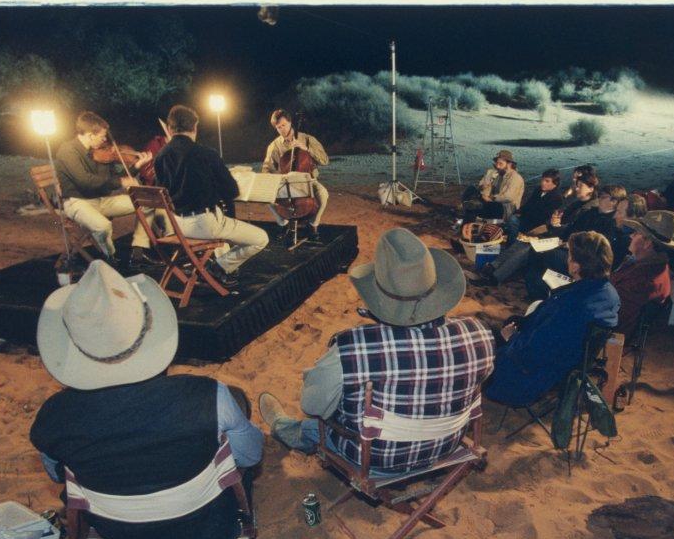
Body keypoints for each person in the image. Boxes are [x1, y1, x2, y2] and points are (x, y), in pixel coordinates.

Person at [29, 260, 264, 539]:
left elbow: (57, 475)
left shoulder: (54, 416)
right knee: (236, 407)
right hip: (207, 526)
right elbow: (252, 454)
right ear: (147, 331)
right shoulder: (207, 395)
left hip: (120, 533)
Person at [257, 228, 495, 473]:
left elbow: (313, 406)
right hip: (444, 446)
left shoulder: (355, 348)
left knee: (313, 425)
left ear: (380, 297)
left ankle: (282, 427)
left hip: (374, 460)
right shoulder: (479, 333)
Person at [485, 231, 620, 408]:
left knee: (482, 337)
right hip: (569, 364)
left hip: (529, 376)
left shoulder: (571, 306)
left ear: (576, 267)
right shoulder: (609, 292)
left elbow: (534, 350)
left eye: (570, 256)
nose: (567, 259)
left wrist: (511, 338)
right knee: (502, 326)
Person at [155, 104, 269, 290]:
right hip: (204, 225)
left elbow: (162, 191)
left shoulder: (160, 156)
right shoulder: (206, 154)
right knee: (260, 238)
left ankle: (216, 264)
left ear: (169, 129)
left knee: (222, 228)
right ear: (195, 127)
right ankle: (218, 267)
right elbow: (232, 191)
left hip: (176, 226)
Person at [54, 111, 159, 270]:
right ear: (90, 135)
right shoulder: (68, 150)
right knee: (103, 226)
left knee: (147, 203)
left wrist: (136, 167)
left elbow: (114, 178)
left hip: (101, 200)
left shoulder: (99, 152)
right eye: (102, 136)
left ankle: (139, 251)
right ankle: (111, 257)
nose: (105, 140)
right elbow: (85, 181)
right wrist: (119, 181)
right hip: (76, 202)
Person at [523, 178, 620, 300]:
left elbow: (598, 246)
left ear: (614, 201)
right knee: (535, 251)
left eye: (603, 196)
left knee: (548, 256)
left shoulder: (611, 222)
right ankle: (536, 290)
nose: (599, 198)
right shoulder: (590, 212)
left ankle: (541, 293)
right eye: (600, 195)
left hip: (581, 255)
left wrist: (572, 244)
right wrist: (560, 239)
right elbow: (571, 228)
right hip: (566, 245)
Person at [476, 169, 563, 286]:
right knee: (516, 245)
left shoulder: (556, 198)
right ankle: (492, 266)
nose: (543, 183)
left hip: (540, 231)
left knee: (520, 251)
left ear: (555, 183)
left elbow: (545, 218)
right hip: (529, 224)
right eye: (543, 180)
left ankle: (495, 277)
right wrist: (519, 212)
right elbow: (528, 206)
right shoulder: (539, 191)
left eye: (547, 181)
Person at [611, 210, 674, 334]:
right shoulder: (652, 266)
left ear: (647, 243)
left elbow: (615, 317)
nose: (631, 236)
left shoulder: (644, 279)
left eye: (636, 233)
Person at [262, 109, 330, 240]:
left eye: (284, 125)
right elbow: (266, 168)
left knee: (323, 194)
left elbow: (325, 160)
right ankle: (283, 223)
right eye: (278, 127)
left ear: (290, 122)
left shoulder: (308, 139)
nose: (282, 129)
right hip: (285, 181)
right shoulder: (274, 146)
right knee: (266, 197)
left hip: (308, 180)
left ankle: (313, 224)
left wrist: (307, 149)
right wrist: (277, 177)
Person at [459, 149, 525, 224]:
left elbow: (508, 197)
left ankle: (467, 218)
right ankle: (468, 210)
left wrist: (491, 198)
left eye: (500, 164)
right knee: (471, 189)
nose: (497, 166)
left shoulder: (515, 177)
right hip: (492, 202)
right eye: (497, 163)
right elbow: (482, 188)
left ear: (509, 164)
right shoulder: (498, 174)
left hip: (506, 208)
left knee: (477, 207)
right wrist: (488, 179)